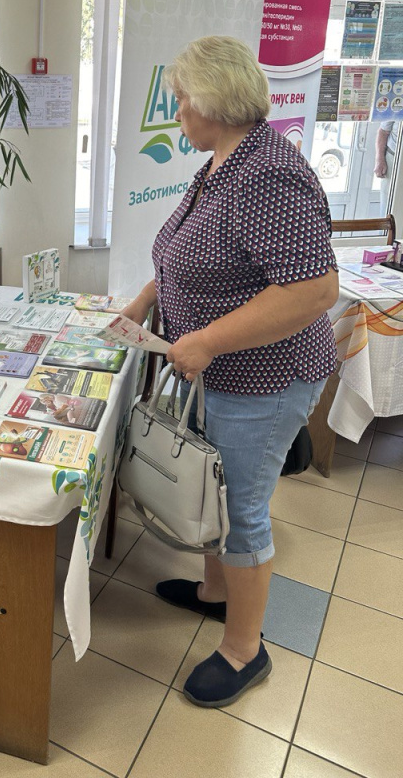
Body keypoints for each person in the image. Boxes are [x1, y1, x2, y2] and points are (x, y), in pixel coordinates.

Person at [122, 36, 338, 709]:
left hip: (265, 379)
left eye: (183, 100)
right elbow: (184, 255)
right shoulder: (222, 162)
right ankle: (216, 593)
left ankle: (246, 649)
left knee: (242, 509)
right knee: (218, 489)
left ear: (215, 101)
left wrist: (207, 341)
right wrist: (140, 302)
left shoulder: (268, 174)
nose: (177, 112)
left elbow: (313, 290)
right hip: (223, 373)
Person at [375, 118, 399, 214]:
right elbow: (383, 132)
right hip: (394, 157)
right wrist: (379, 159)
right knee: (388, 206)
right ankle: (385, 229)